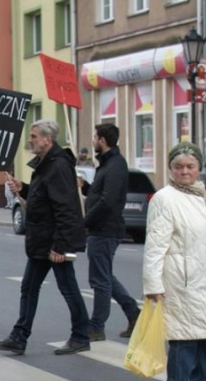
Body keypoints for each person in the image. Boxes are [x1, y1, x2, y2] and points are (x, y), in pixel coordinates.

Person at [0, 119, 91, 356]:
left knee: (67, 287)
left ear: (47, 139)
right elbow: (42, 195)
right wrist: (22, 187)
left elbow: (66, 208)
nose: (30, 141)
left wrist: (60, 246)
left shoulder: (58, 166)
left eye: (34, 136)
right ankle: (19, 337)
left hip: (53, 243)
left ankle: (81, 335)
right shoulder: (46, 165)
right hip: (42, 241)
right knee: (30, 287)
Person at [144, 142, 206, 381]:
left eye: (190, 166)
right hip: (181, 279)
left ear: (198, 169)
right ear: (170, 169)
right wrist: (153, 284)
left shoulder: (198, 194)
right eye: (178, 166)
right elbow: (155, 245)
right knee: (184, 337)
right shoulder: (164, 199)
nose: (185, 171)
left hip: (205, 277)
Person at [85, 124, 141, 341]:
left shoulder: (116, 165)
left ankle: (96, 327)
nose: (92, 141)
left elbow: (107, 201)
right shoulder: (108, 165)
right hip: (102, 229)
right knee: (105, 276)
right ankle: (133, 313)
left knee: (100, 280)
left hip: (105, 229)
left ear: (102, 140)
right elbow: (99, 194)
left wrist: (85, 222)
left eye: (94, 137)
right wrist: (83, 187)